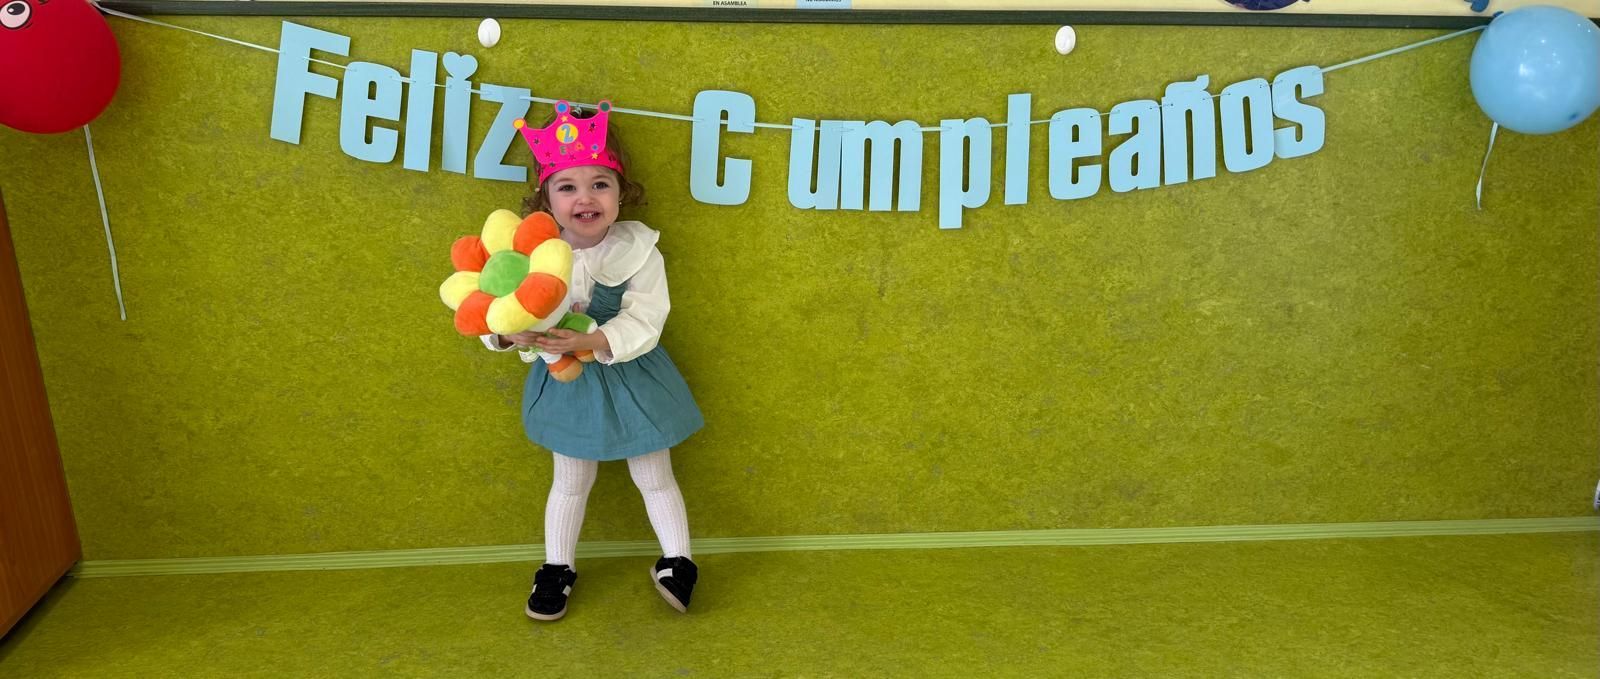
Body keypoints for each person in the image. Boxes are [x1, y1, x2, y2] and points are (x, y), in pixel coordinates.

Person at [482, 100, 704, 621]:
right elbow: (493, 310)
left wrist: (596, 339)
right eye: (568, 187)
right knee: (570, 480)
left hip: (631, 377)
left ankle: (678, 561)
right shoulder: (527, 257)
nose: (585, 198)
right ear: (546, 198)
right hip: (568, 387)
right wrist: (509, 336)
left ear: (621, 192)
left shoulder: (640, 250)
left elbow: (648, 317)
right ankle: (557, 568)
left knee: (654, 474)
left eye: (600, 184)